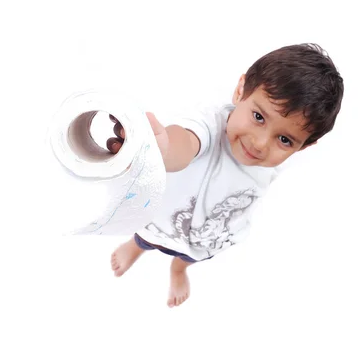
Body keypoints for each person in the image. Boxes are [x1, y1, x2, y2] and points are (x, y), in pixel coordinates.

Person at [106, 44, 344, 307]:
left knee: (189, 258)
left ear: (304, 146)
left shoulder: (276, 161)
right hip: (162, 221)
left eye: (285, 139)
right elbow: (185, 142)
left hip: (208, 238)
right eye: (258, 117)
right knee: (148, 238)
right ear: (240, 91)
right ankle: (136, 247)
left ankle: (178, 270)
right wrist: (163, 150)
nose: (261, 143)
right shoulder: (211, 125)